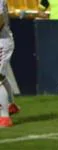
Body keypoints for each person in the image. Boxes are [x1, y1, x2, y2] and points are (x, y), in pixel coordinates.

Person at [0, 0, 18, 128]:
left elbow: (0, 22)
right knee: (1, 76)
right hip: (4, 40)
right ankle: (11, 105)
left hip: (2, 42)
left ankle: (4, 117)